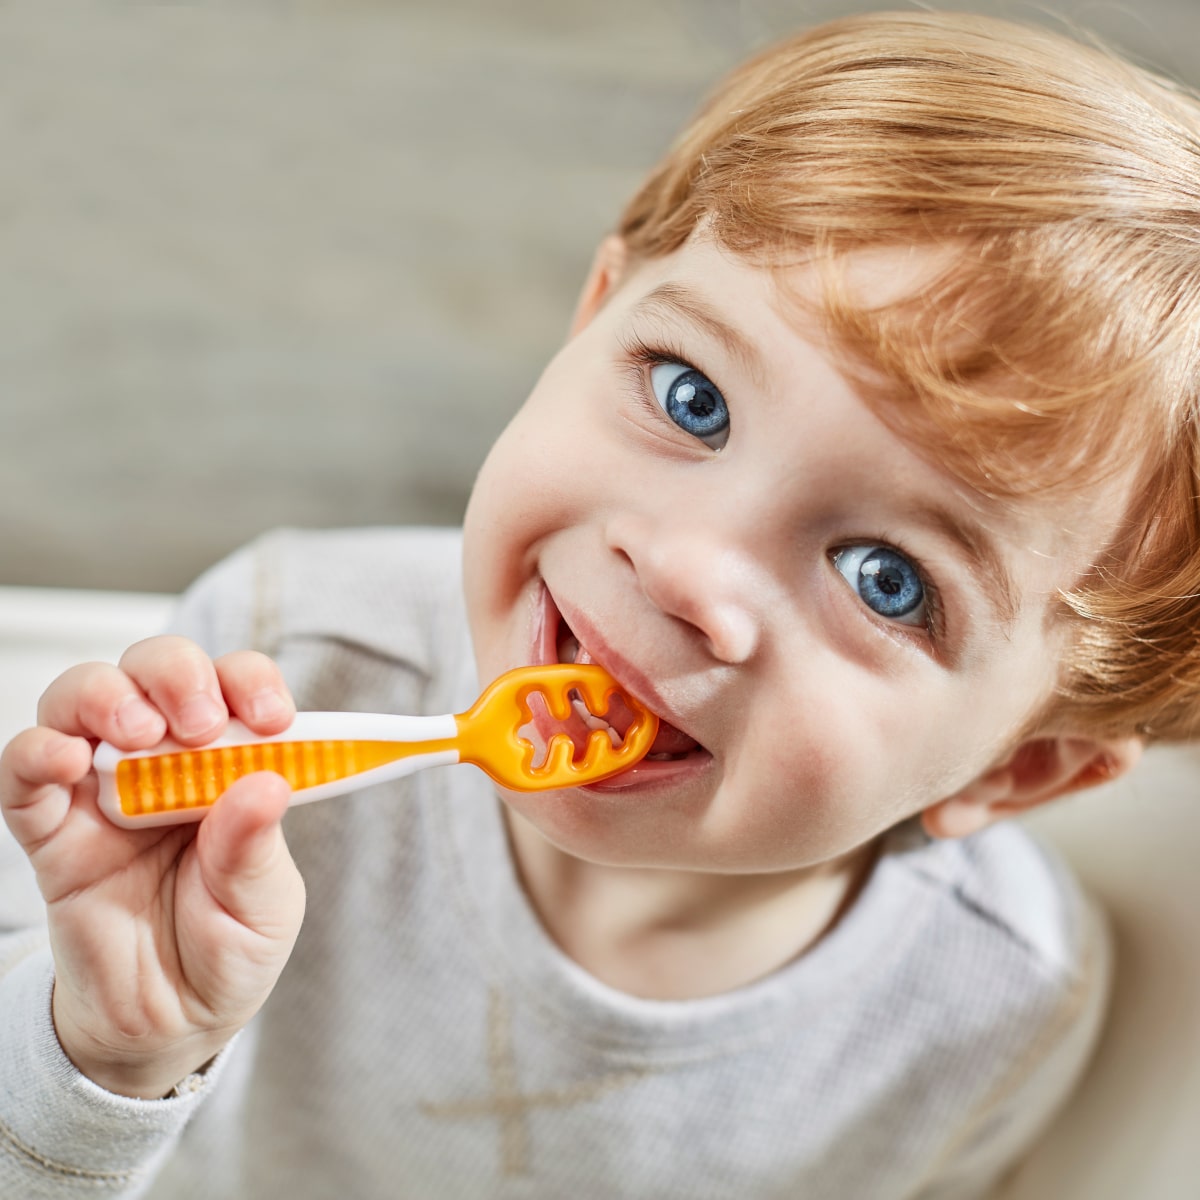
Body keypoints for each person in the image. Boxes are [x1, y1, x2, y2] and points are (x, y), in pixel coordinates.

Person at [3, 9, 1199, 1197]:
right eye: (691, 398)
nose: (688, 568)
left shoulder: (994, 1012)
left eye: (887, 579)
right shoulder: (284, 666)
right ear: (594, 314)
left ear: (1020, 768)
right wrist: (106, 1059)